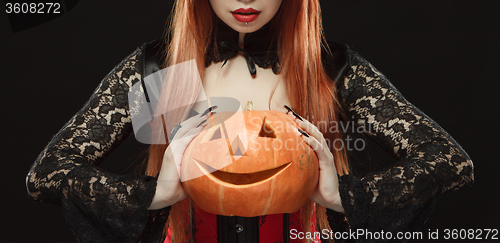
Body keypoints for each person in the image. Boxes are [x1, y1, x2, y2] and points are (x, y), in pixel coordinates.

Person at [25, 0, 474, 242]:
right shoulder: (170, 72)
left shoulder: (325, 68)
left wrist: (341, 197)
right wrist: (154, 194)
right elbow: (47, 175)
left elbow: (450, 163)